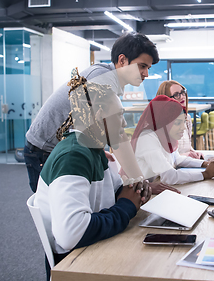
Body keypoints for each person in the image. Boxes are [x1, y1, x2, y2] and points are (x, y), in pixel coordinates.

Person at [34, 72, 152, 281]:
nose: (124, 122)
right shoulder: (73, 156)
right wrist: (126, 206)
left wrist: (134, 193)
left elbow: (114, 195)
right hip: (78, 267)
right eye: (119, 114)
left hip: (94, 251)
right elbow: (71, 233)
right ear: (98, 114)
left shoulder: (95, 150)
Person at [24, 32, 166, 193]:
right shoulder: (103, 79)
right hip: (44, 149)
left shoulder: (110, 78)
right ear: (122, 60)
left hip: (61, 146)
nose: (146, 74)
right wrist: (142, 182)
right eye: (142, 66)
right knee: (54, 208)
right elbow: (117, 136)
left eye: (148, 68)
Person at [131, 95, 214, 185]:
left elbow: (177, 159)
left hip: (152, 187)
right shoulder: (147, 138)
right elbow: (169, 177)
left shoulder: (164, 136)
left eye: (184, 122)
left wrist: (206, 164)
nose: (183, 127)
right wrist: (206, 174)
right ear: (163, 122)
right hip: (139, 194)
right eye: (178, 123)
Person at [156, 80, 203, 159]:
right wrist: (185, 156)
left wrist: (194, 152)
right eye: (176, 95)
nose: (182, 97)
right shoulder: (161, 123)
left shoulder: (187, 118)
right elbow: (163, 158)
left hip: (185, 163)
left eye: (182, 92)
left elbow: (186, 146)